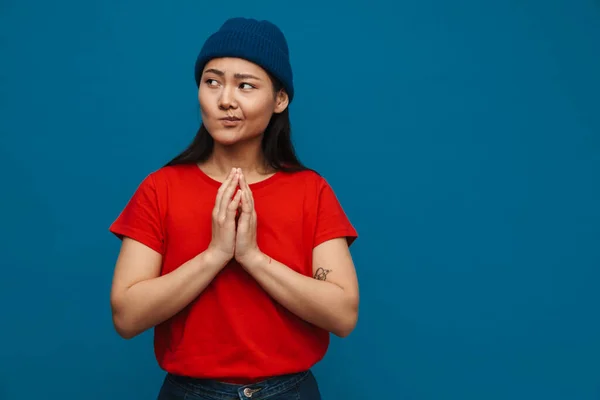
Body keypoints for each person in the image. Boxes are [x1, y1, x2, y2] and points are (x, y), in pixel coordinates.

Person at [108, 17, 359, 400]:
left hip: (289, 391)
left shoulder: (312, 191)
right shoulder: (160, 188)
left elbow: (342, 315)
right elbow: (126, 316)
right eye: (212, 81)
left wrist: (252, 258)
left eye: (245, 85)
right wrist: (216, 255)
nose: (226, 99)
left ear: (279, 99)